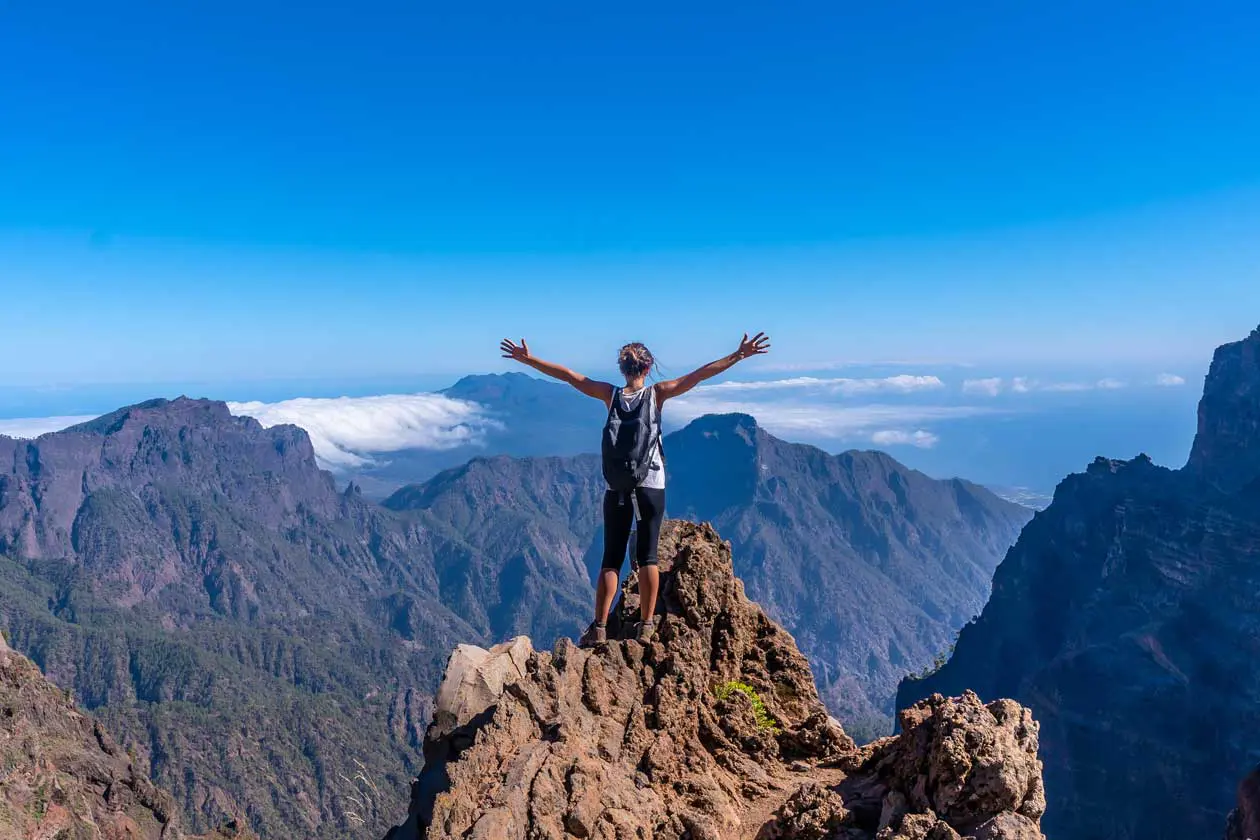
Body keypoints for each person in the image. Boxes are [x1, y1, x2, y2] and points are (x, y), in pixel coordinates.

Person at [499, 332, 771, 645]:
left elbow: (569, 376)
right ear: (648, 367)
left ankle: (599, 627)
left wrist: (528, 359)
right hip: (651, 486)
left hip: (617, 487)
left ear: (621, 368)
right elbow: (699, 375)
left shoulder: (609, 395)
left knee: (611, 559)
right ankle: (645, 625)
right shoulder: (658, 394)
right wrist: (737, 355)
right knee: (648, 557)